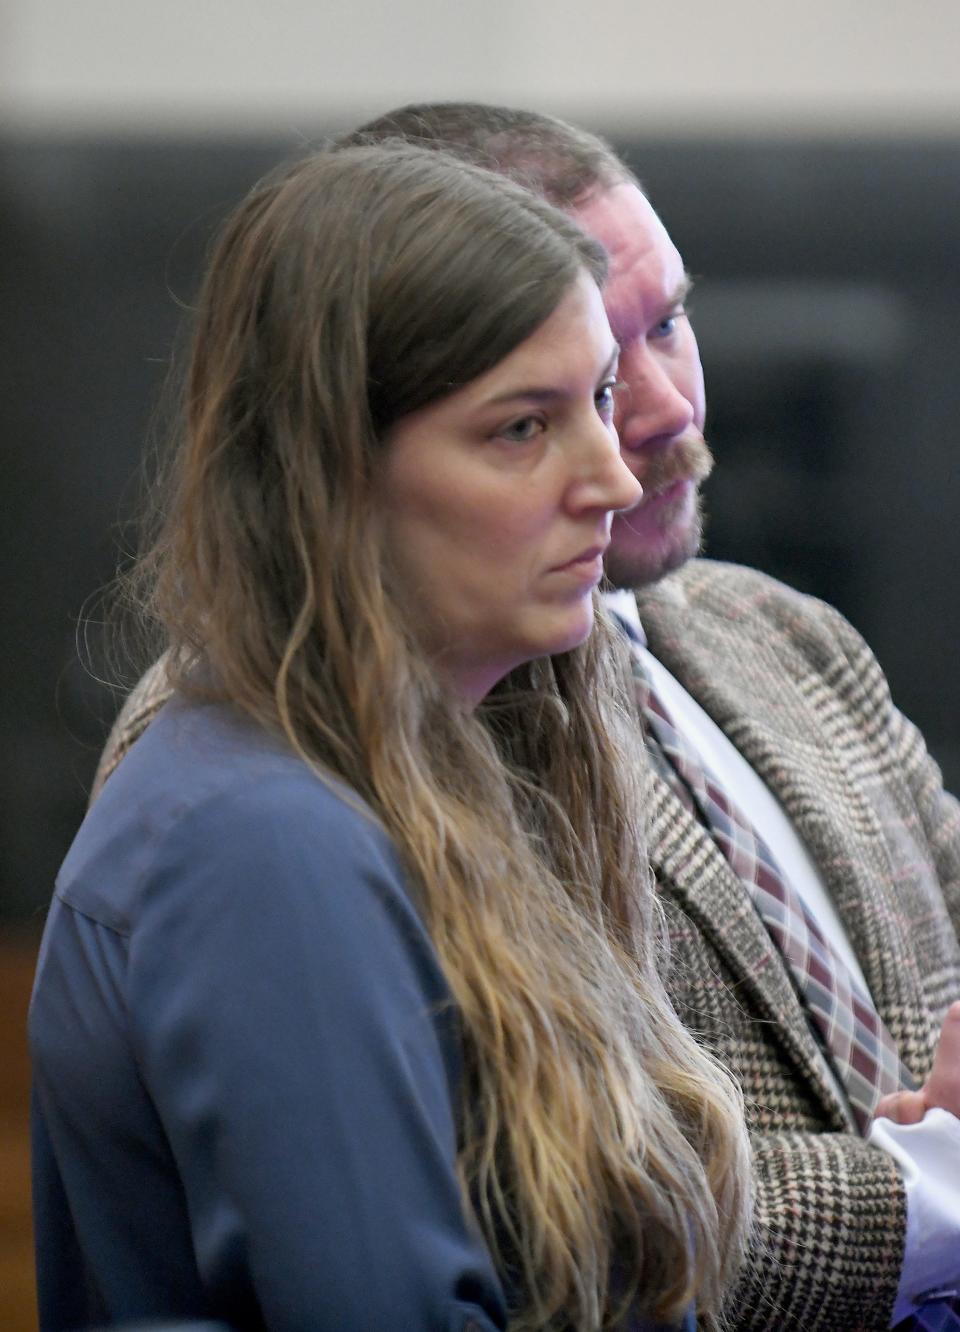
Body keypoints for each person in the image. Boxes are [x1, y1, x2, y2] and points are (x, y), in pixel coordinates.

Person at [91, 106, 960, 1331]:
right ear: (350, 441)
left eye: (665, 327)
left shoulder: (785, 636)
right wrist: (934, 1195)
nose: (650, 423)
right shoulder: (264, 754)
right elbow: (525, 1212)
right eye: (536, 411)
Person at [29, 143, 753, 1332]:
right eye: (523, 428)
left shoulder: (403, 776)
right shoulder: (263, 835)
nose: (614, 480)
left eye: (601, 403)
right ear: (332, 474)